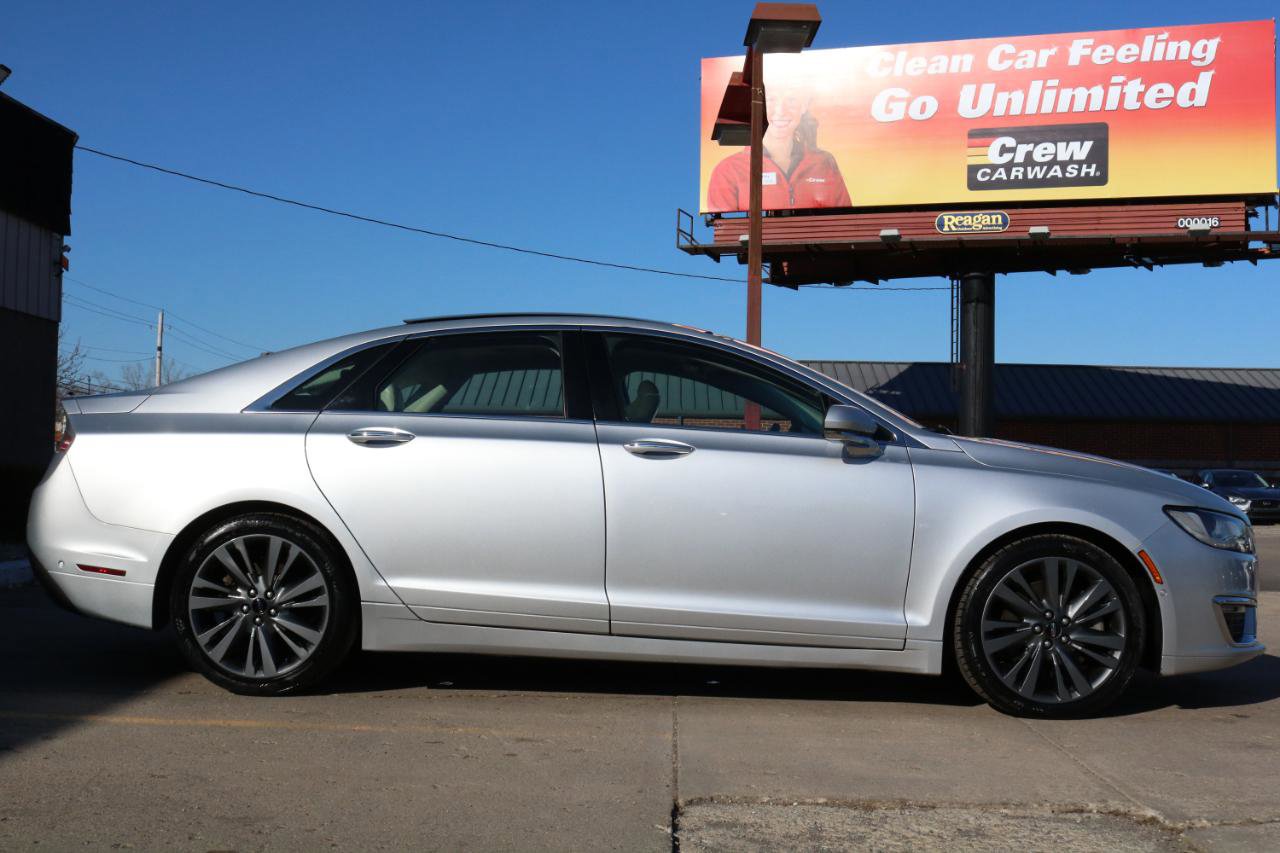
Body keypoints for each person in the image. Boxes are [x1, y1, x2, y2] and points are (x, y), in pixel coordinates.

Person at [706, 66, 851, 213]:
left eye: (791, 100)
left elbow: (847, 220)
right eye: (771, 100)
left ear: (804, 105)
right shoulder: (728, 170)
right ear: (756, 107)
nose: (781, 111)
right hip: (755, 237)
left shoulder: (824, 163)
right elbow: (726, 230)